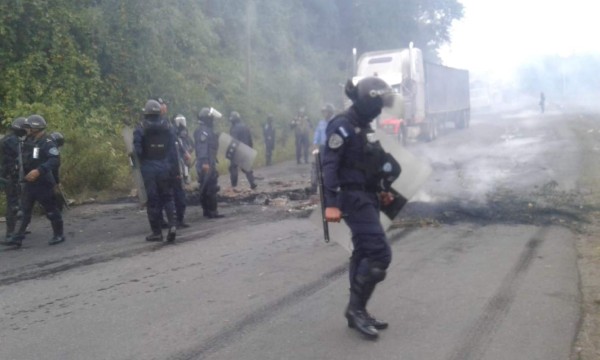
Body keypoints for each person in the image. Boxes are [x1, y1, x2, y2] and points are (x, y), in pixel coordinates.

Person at [322, 77, 399, 340]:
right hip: (352, 199)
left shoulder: (363, 127)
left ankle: (358, 312)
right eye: (378, 104)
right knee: (380, 254)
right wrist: (330, 204)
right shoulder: (342, 126)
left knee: (364, 252)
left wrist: (382, 190)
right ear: (368, 101)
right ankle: (355, 309)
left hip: (367, 197)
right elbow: (329, 166)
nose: (380, 110)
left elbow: (368, 166)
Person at [2, 114, 65, 247]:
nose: (27, 129)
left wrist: (39, 171)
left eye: (29, 127)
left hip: (43, 182)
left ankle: (59, 235)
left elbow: (54, 160)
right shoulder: (30, 141)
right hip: (29, 183)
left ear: (36, 128)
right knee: (24, 210)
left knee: (51, 210)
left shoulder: (47, 142)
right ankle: (17, 238)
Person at [134, 99, 178, 242]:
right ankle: (172, 226)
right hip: (165, 166)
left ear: (146, 112)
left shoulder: (140, 128)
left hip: (149, 168)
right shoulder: (168, 126)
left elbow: (138, 152)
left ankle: (157, 232)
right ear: (159, 112)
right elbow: (173, 151)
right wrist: (175, 170)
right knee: (168, 197)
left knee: (153, 200)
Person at [194, 107, 224, 218]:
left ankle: (208, 211)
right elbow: (202, 148)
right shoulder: (204, 131)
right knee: (209, 187)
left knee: (206, 186)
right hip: (206, 162)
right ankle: (211, 211)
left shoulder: (205, 129)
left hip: (208, 161)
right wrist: (205, 163)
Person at [1, 117, 27, 241]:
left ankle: (20, 228)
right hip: (10, 177)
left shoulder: (14, 139)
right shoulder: (11, 141)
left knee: (21, 202)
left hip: (14, 176)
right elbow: (20, 153)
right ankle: (10, 233)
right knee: (13, 205)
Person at [171, 114, 192, 228]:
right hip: (176, 168)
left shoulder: (184, 135)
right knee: (177, 195)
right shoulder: (174, 134)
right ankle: (176, 220)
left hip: (181, 166)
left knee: (181, 194)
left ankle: (180, 219)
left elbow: (189, 146)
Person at [228, 111, 257, 190]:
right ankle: (252, 182)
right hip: (246, 148)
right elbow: (250, 139)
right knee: (247, 167)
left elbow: (234, 141)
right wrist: (250, 148)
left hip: (237, 150)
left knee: (233, 167)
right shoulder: (245, 127)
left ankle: (234, 185)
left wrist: (231, 152)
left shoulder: (233, 129)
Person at [311, 104, 336, 193]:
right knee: (318, 165)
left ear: (330, 112)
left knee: (331, 166)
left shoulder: (335, 121)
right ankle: (316, 185)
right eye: (323, 112)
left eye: (326, 112)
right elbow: (317, 133)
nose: (324, 114)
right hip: (322, 147)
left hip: (333, 147)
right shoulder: (321, 123)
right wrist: (315, 143)